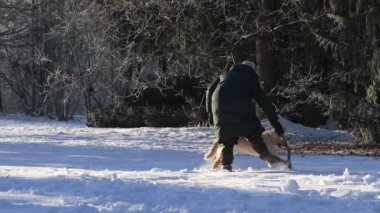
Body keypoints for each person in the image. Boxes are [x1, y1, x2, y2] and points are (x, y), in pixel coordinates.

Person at [206, 60, 288, 171]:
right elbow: (264, 103)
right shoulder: (249, 78)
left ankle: (226, 166)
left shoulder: (225, 74)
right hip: (239, 105)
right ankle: (271, 160)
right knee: (254, 134)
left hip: (218, 104)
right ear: (253, 70)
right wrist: (276, 124)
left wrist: (211, 114)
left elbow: (210, 89)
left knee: (227, 137)